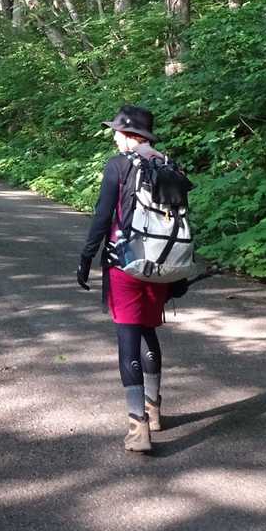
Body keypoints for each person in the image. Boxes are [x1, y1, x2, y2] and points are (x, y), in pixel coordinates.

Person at [76, 105, 172, 454]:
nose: (114, 136)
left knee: (128, 338)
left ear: (130, 134)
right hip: (160, 266)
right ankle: (154, 410)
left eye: (117, 131)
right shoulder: (167, 164)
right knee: (148, 332)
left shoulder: (117, 166)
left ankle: (138, 427)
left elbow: (102, 217)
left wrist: (87, 257)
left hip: (124, 265)